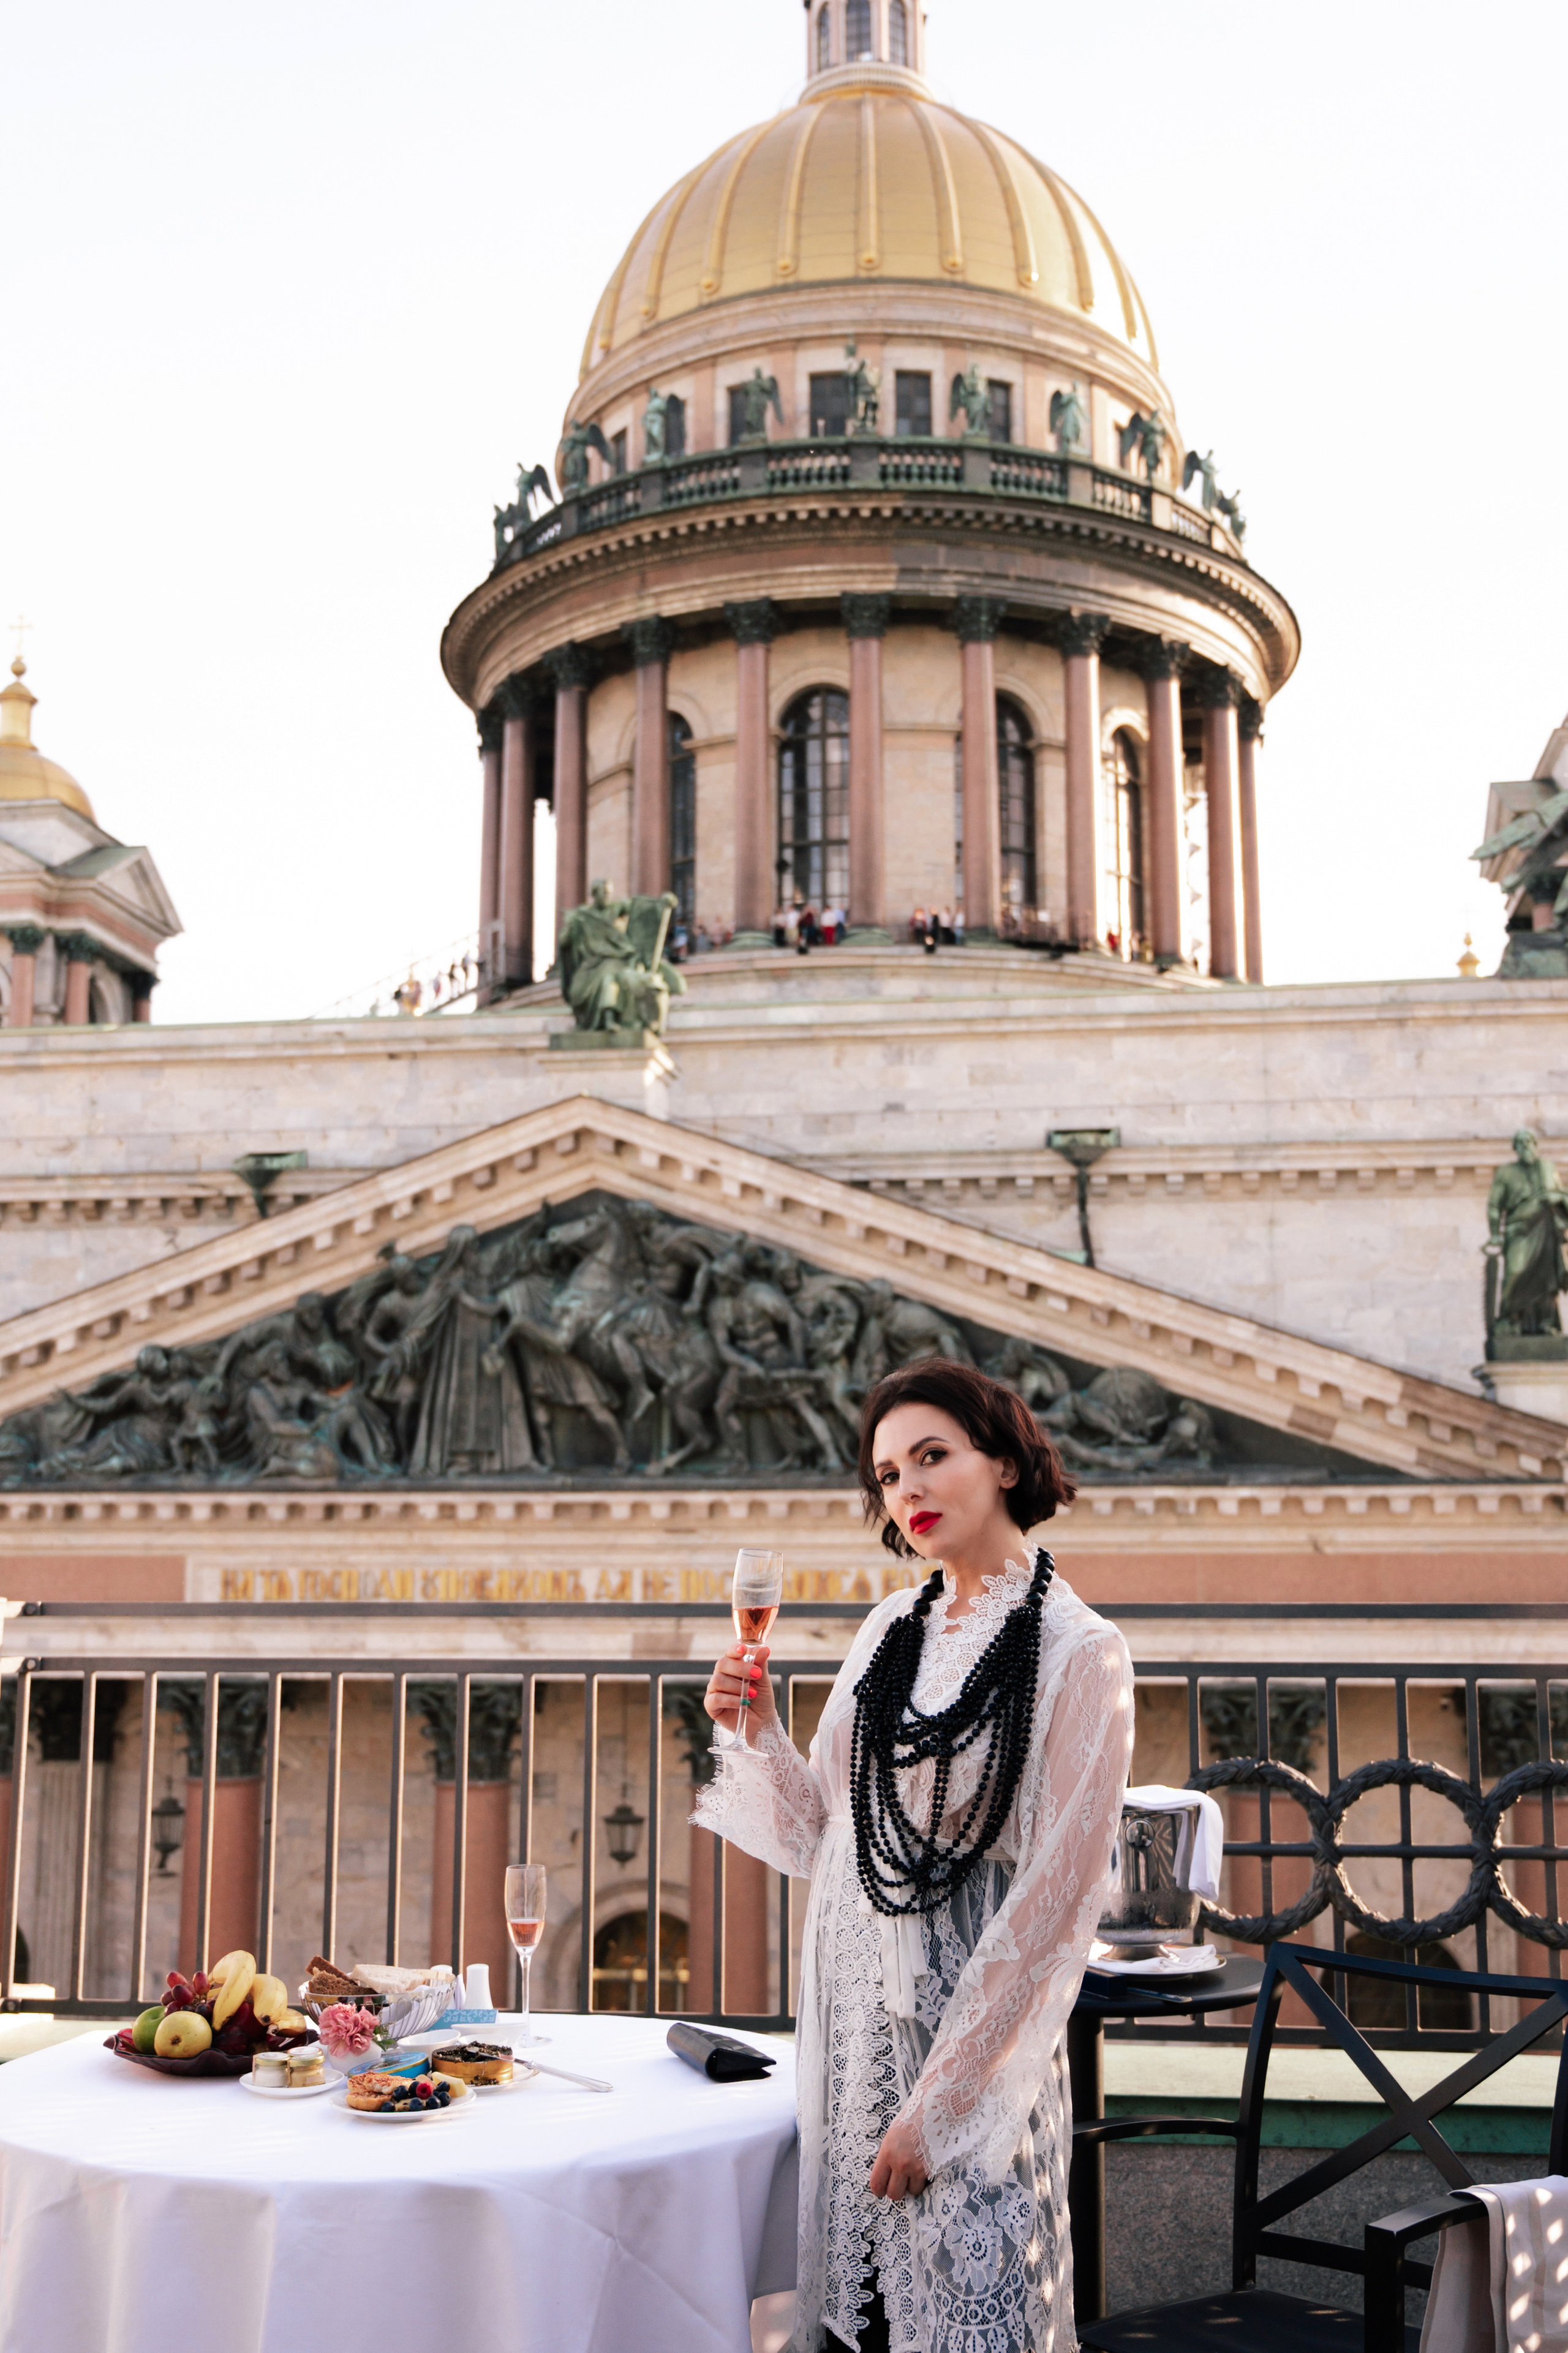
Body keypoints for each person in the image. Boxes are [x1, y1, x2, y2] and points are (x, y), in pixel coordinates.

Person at [700, 1360, 1134, 2353]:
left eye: (932, 1456)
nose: (909, 1490)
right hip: (850, 2044)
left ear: (1007, 1460)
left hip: (963, 2068)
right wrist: (758, 1724)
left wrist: (938, 2109)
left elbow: (1052, 1907)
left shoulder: (1081, 1651)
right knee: (856, 2326)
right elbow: (826, 1836)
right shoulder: (892, 1626)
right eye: (890, 1474)